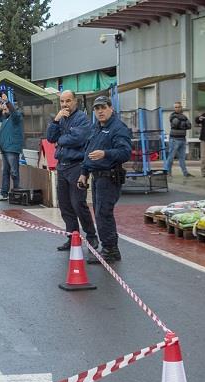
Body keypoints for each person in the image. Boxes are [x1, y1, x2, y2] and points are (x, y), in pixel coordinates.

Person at [79, 96, 133, 264]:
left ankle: (109, 249)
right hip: (97, 177)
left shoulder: (118, 128)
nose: (100, 111)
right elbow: (89, 151)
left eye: (103, 107)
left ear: (111, 108)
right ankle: (111, 248)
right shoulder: (96, 128)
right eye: (97, 108)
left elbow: (125, 152)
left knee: (104, 214)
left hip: (109, 176)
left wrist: (106, 153)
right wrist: (84, 172)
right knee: (100, 213)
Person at [45, 90, 94, 251]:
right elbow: (50, 138)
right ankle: (72, 237)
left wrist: (61, 139)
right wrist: (56, 121)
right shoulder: (61, 118)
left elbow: (78, 138)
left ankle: (91, 236)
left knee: (78, 203)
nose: (65, 104)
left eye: (68, 101)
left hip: (77, 165)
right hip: (62, 165)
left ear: (75, 101)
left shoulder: (82, 119)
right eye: (62, 102)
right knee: (65, 204)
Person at [0, 93, 24, 201]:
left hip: (12, 148)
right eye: (3, 110)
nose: (4, 111)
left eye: (6, 109)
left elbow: (14, 113)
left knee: (14, 171)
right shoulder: (4, 118)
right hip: (5, 148)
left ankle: (16, 191)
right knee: (5, 171)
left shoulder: (16, 116)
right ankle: (4, 193)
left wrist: (7, 102)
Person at [163, 101, 191, 177]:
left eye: (179, 107)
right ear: (174, 108)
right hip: (174, 139)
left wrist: (182, 122)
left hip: (182, 139)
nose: (177, 108)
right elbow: (176, 124)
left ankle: (185, 173)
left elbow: (189, 126)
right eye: (176, 107)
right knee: (171, 157)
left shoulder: (184, 116)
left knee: (182, 158)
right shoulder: (172, 116)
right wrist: (183, 122)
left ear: (181, 107)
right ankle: (168, 172)